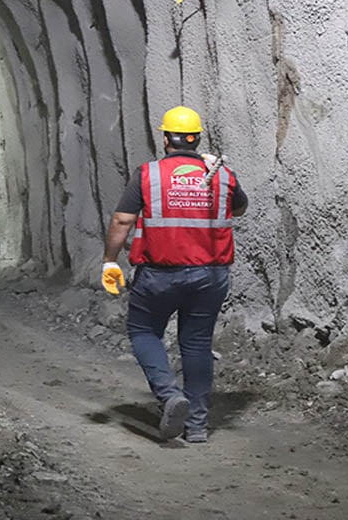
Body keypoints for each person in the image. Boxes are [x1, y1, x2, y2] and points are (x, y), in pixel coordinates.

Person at [99, 106, 248, 443]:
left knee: (143, 331)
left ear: (165, 138)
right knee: (196, 344)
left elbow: (123, 220)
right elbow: (238, 208)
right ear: (197, 139)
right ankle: (197, 426)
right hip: (210, 276)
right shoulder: (222, 175)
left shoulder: (148, 175)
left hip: (159, 275)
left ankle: (170, 395)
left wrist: (110, 260)